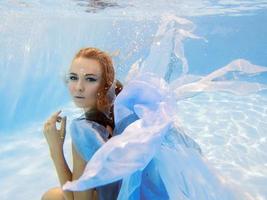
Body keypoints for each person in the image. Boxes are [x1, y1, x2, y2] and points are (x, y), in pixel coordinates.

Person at [42, 47, 122, 200]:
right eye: (73, 77)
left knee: (50, 197)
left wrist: (55, 150)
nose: (78, 87)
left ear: (105, 84)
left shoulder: (85, 131)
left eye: (90, 79)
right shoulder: (116, 112)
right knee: (54, 195)